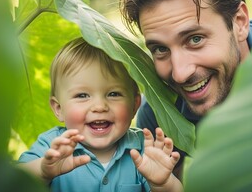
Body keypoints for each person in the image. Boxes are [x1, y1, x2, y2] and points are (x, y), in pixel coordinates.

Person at [119, 0, 252, 179]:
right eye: (160, 49)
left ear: (239, 22)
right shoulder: (160, 115)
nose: (180, 73)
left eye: (195, 39)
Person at [18, 37, 183, 192]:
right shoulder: (52, 147)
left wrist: (162, 183)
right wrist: (42, 171)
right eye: (82, 95)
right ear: (58, 108)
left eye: (113, 94)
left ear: (135, 105)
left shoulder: (142, 149)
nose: (99, 106)